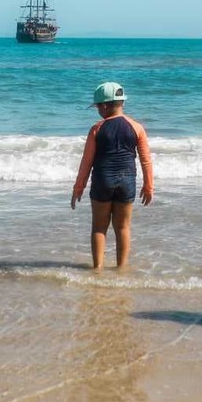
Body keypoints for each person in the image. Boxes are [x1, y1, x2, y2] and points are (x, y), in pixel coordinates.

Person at [71, 82, 154, 269]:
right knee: (123, 227)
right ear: (122, 102)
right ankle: (121, 269)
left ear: (104, 106)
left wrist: (79, 186)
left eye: (97, 107)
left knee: (99, 227)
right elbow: (146, 160)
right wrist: (148, 185)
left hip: (103, 181)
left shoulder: (97, 129)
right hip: (127, 181)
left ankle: (98, 268)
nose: (98, 110)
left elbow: (86, 162)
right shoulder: (137, 127)